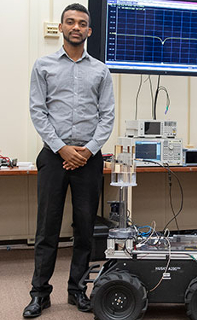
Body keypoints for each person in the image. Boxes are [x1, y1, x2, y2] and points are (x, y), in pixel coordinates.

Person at [23, 3, 115, 318]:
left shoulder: (101, 70)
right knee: (47, 229)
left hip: (89, 159)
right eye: (70, 22)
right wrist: (62, 148)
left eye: (82, 23)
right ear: (62, 28)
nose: (76, 27)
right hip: (53, 156)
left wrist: (87, 150)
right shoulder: (43, 65)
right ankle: (40, 294)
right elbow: (38, 110)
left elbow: (107, 116)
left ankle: (77, 291)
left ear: (89, 31)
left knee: (85, 228)